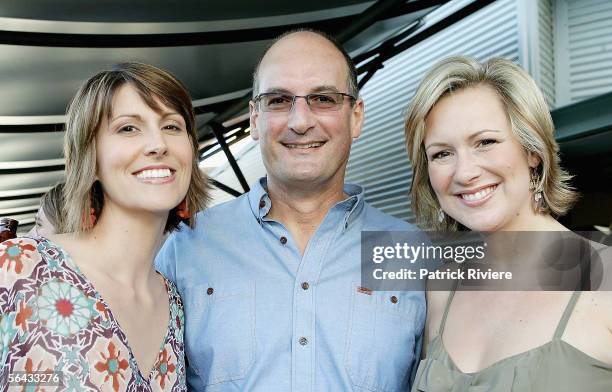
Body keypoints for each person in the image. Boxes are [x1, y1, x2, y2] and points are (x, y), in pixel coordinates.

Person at [155, 29, 426, 391]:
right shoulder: (184, 246)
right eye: (279, 100)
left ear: (356, 116)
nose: (300, 121)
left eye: (324, 98)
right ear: (254, 118)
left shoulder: (414, 254)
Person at [404, 56, 612, 391]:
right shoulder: (440, 290)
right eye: (442, 153)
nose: (465, 172)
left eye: (485, 142)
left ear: (533, 151)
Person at [0, 62, 209, 391]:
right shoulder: (19, 267)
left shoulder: (176, 305)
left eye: (172, 126)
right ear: (90, 158)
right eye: (128, 128)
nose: (158, 144)